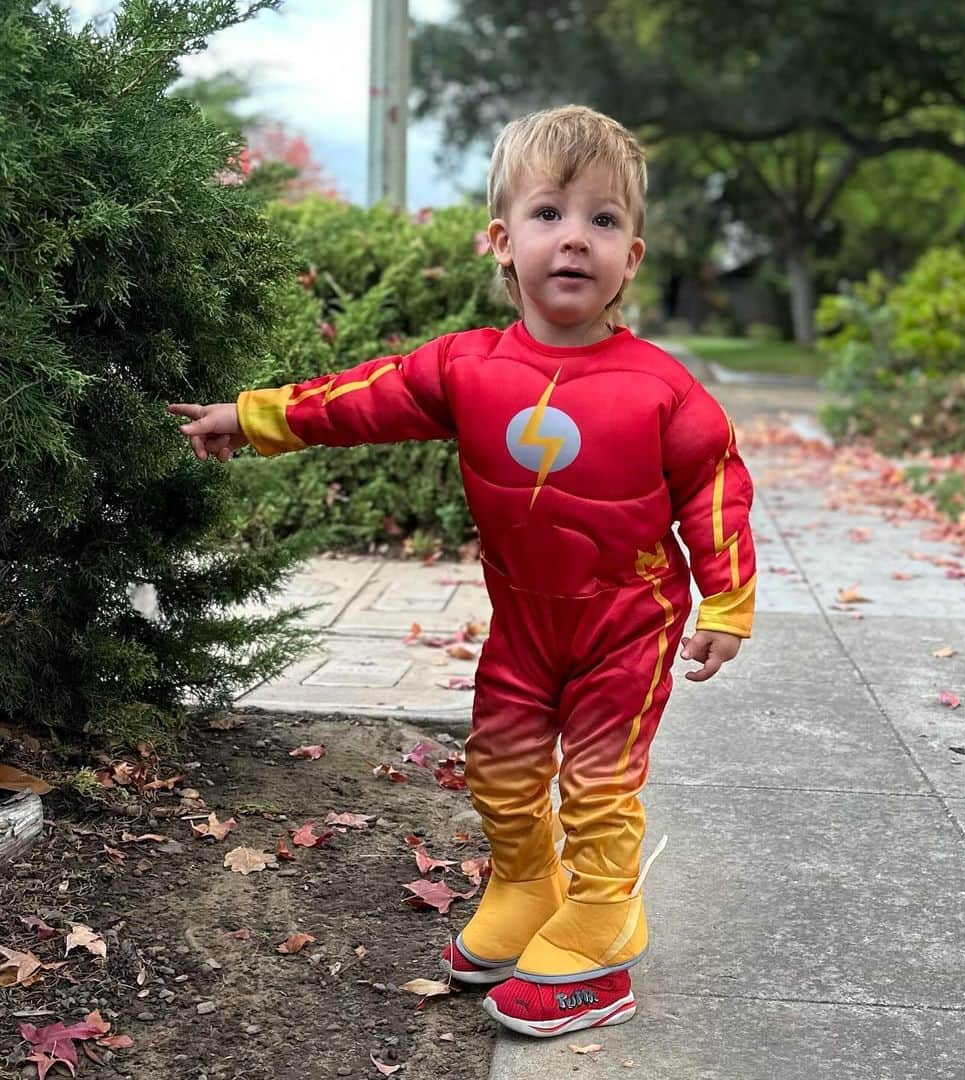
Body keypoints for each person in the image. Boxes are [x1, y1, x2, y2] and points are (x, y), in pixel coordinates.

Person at [169, 104, 755, 1039]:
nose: (576, 238)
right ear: (502, 242)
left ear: (631, 259)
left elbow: (717, 484)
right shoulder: (465, 368)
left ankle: (605, 922)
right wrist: (255, 416)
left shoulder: (662, 389)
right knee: (499, 767)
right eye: (550, 214)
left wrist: (727, 599)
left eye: (604, 221)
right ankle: (527, 886)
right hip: (527, 623)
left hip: (626, 625)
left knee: (599, 779)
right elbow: (362, 397)